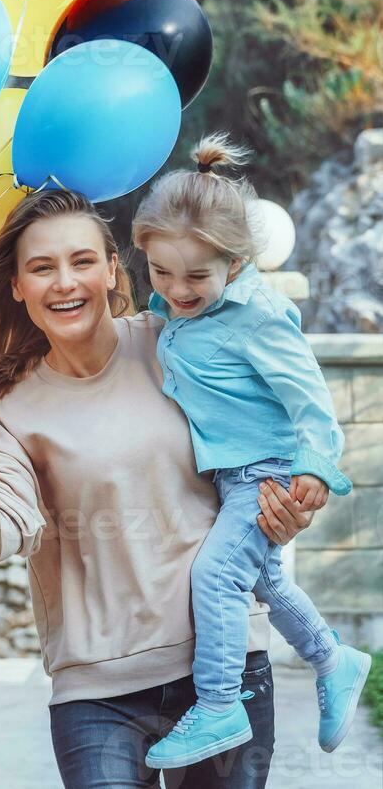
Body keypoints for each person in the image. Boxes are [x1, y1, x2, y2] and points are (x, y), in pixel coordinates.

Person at [0, 189, 312, 788]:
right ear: (18, 287)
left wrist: (281, 508)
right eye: (41, 267)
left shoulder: (180, 345)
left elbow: (266, 445)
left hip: (223, 672)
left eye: (81, 261)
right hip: (97, 695)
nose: (63, 282)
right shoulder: (11, 411)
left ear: (111, 269)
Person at [132, 134, 371, 772]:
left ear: (235, 264)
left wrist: (315, 466)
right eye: (160, 272)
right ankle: (331, 657)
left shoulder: (259, 314)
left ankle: (218, 704)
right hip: (230, 479)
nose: (177, 289)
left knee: (215, 576)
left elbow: (313, 404)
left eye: (196, 277)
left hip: (263, 475)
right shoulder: (179, 314)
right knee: (261, 578)